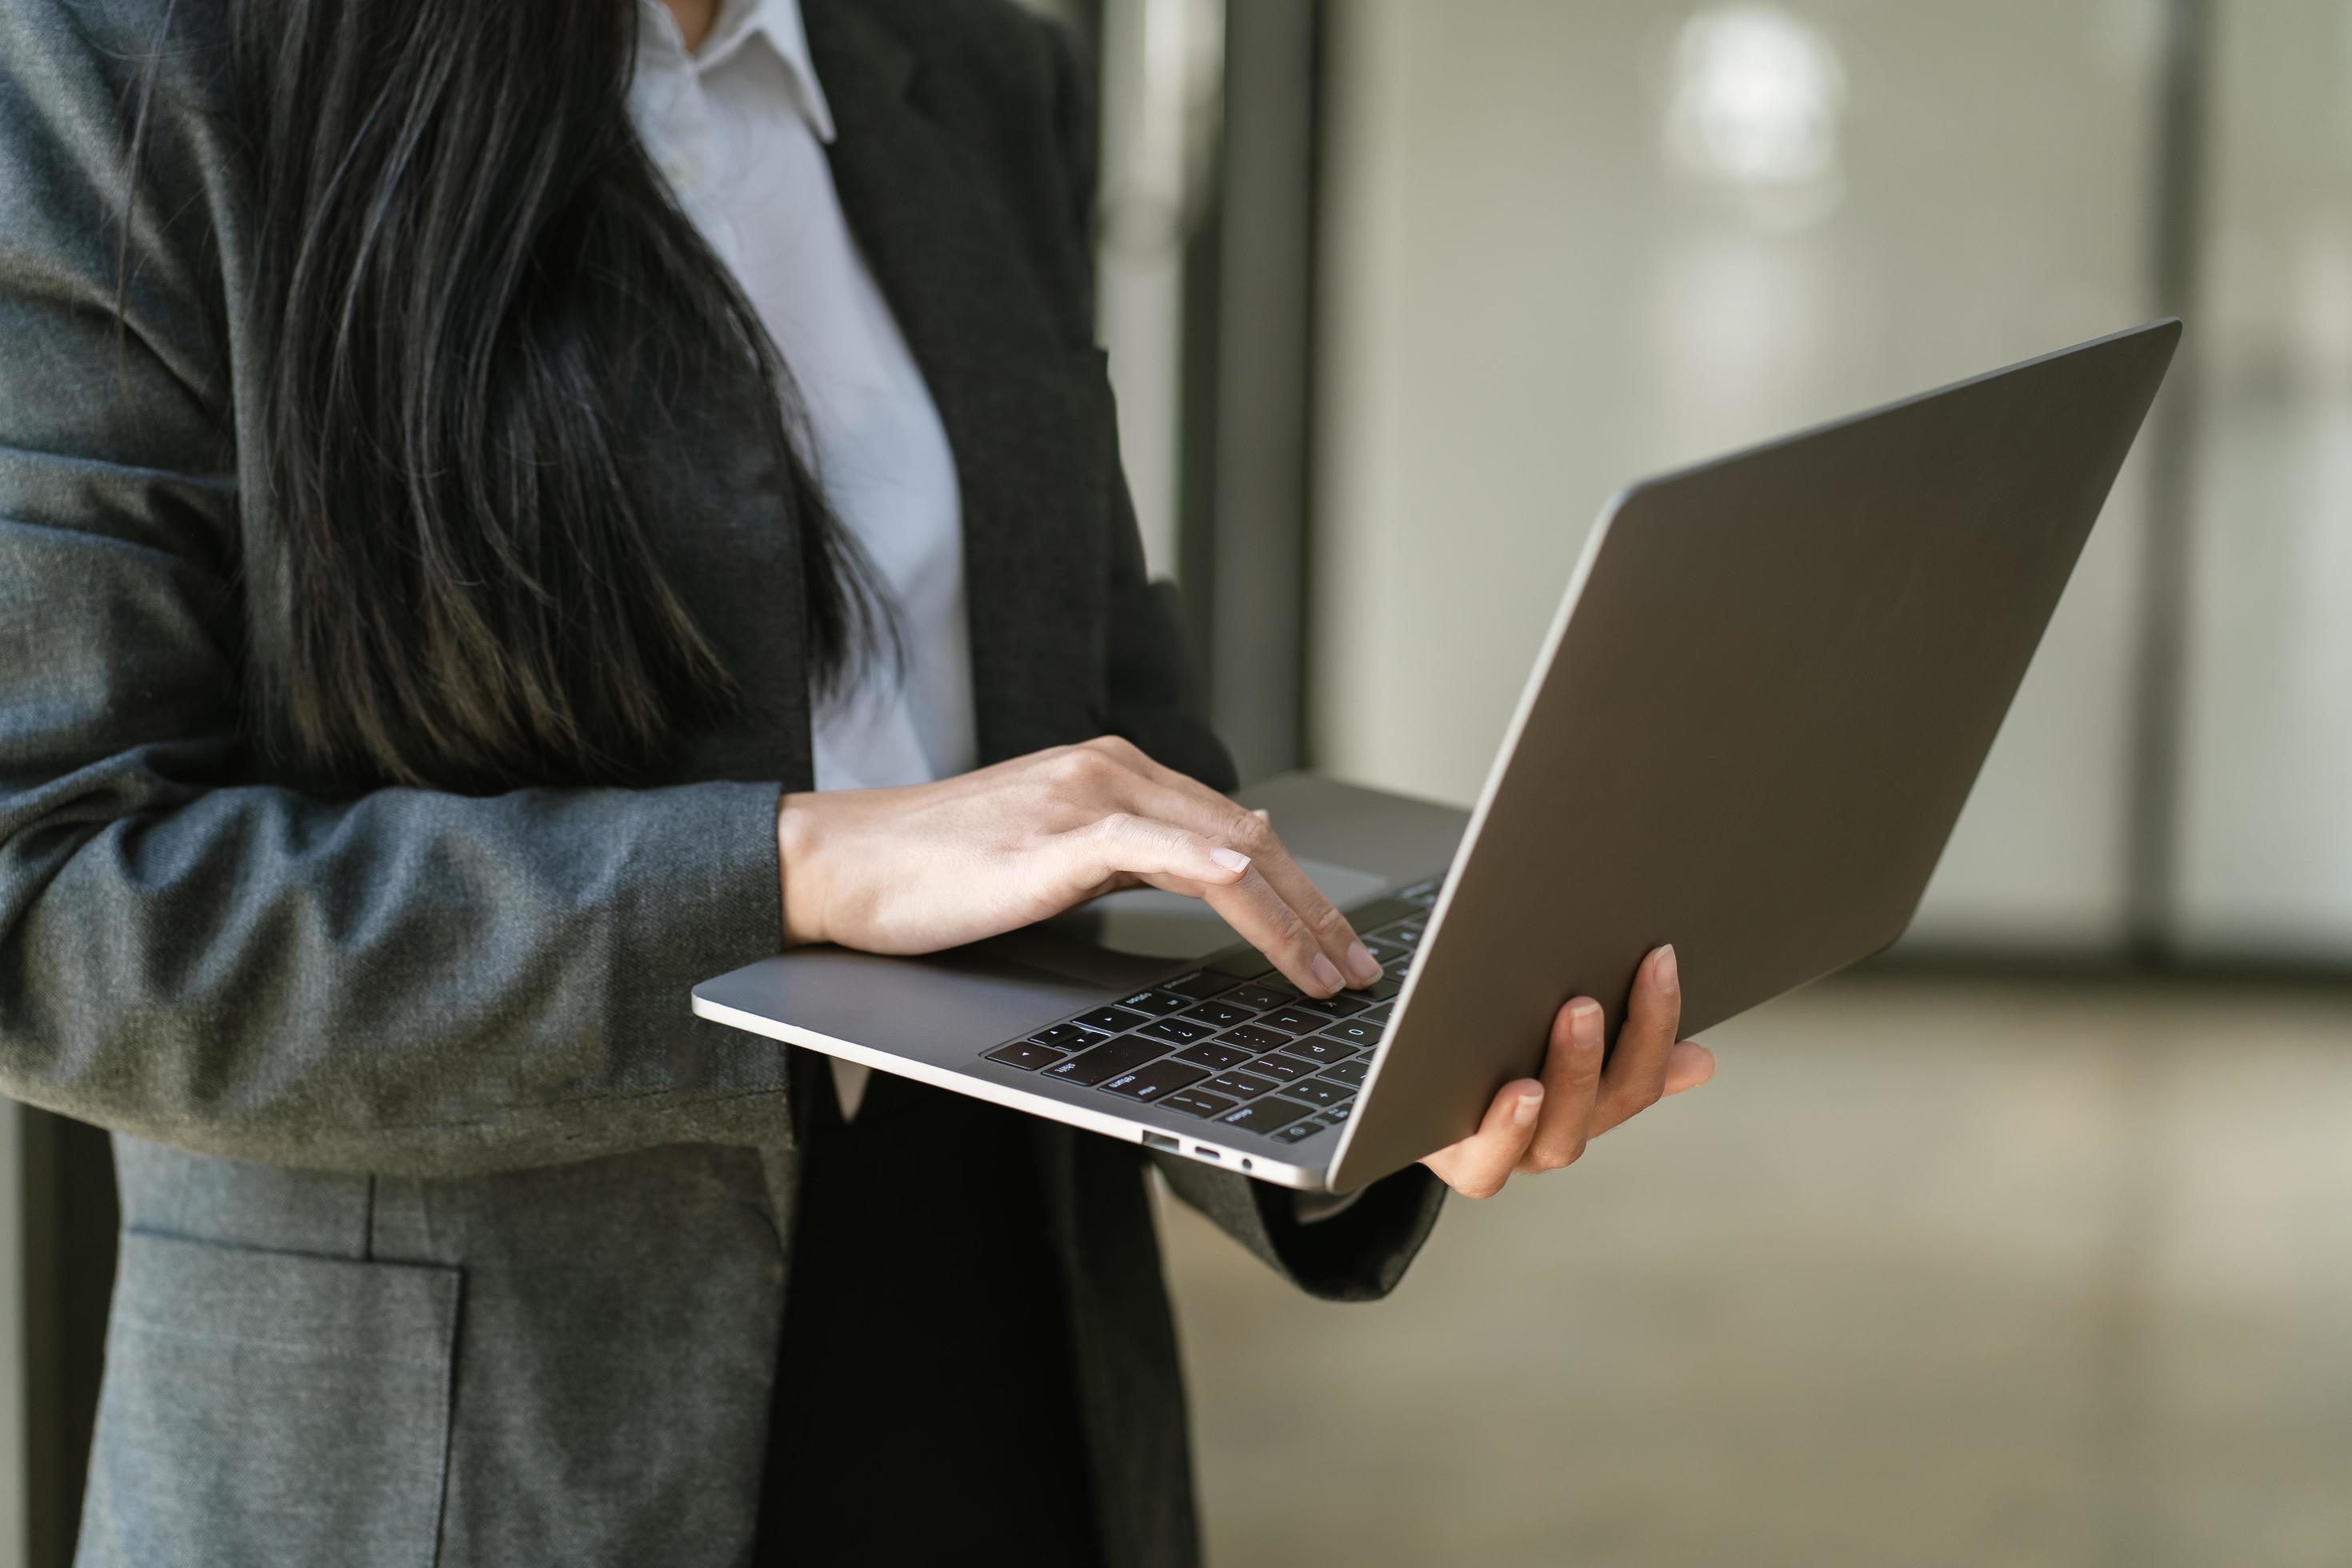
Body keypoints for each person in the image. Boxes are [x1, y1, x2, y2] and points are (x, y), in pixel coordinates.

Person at [0, 0, 1717, 1562]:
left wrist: (1358, 1080)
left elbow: (1116, 762)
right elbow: (56, 903)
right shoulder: (122, 68)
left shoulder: (974, 69)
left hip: (1008, 1375)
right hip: (456, 1465)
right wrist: (796, 873)